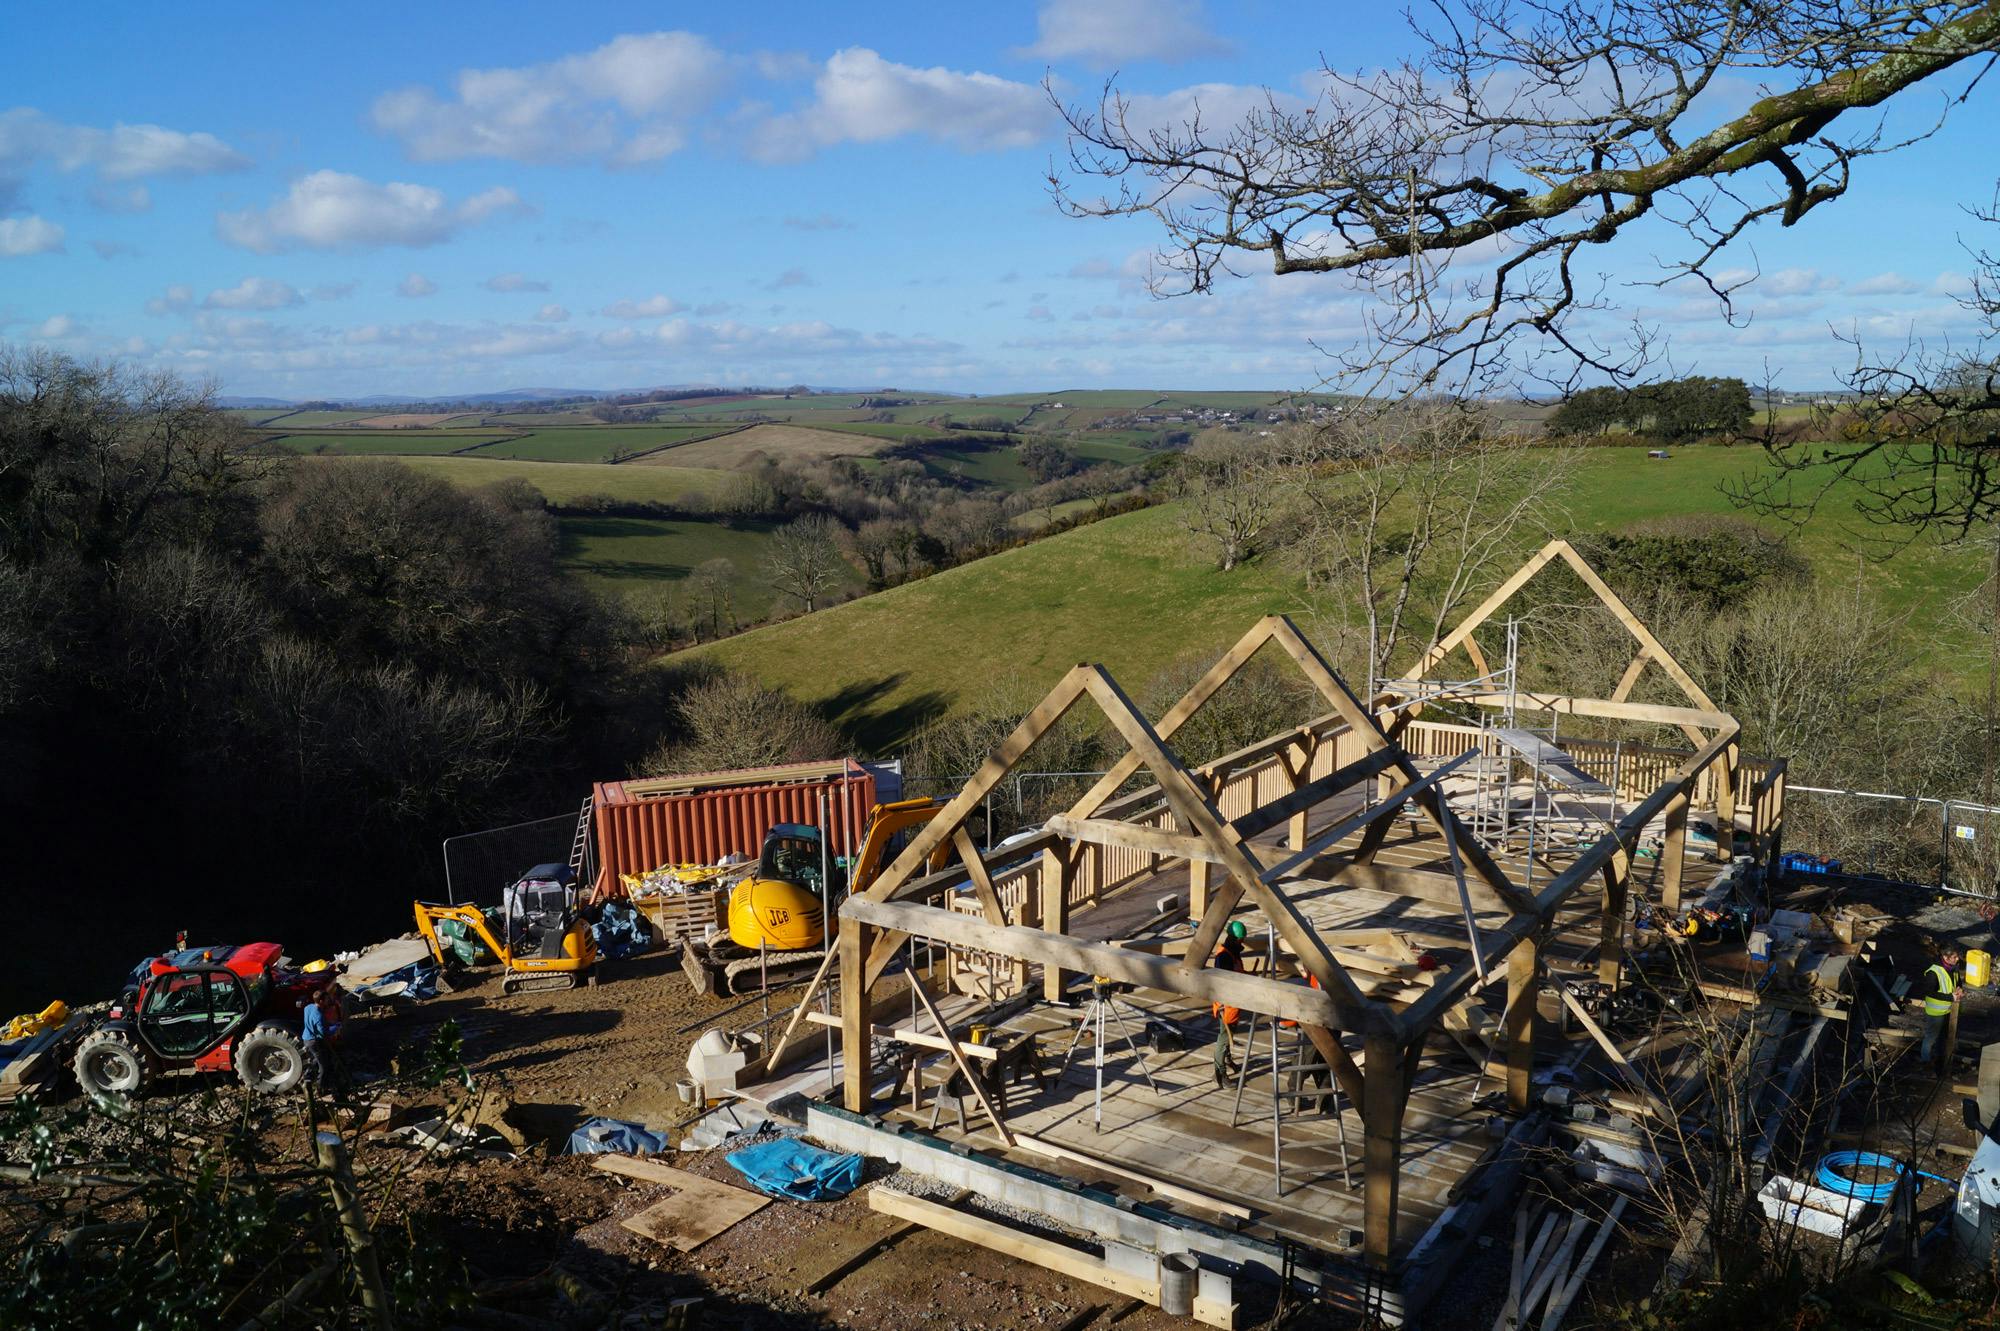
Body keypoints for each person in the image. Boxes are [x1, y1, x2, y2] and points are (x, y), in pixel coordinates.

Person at [1211, 920, 1248, 1088]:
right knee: (1224, 1039)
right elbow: (1222, 983)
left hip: (1233, 1004)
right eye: (1240, 940)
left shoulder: (1231, 952)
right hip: (1227, 1007)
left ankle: (1227, 1060)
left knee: (1227, 1037)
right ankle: (1219, 1074)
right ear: (1234, 939)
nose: (1242, 943)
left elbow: (1236, 973)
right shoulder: (1223, 956)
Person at [1918, 947, 1961, 1067]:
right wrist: (1950, 997)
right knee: (1931, 1037)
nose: (1957, 959)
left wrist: (1959, 989)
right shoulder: (1933, 972)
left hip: (1948, 1010)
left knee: (1943, 1036)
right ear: (1945, 958)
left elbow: (1958, 983)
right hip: (1935, 1012)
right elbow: (1929, 992)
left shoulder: (1953, 969)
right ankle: (1925, 1060)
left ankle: (1939, 1057)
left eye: (1957, 956)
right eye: (1954, 957)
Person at [301, 984, 347, 1094]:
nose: (328, 1001)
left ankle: (307, 1075)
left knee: (317, 1059)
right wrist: (336, 1027)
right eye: (326, 1000)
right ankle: (320, 1088)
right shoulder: (319, 1015)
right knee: (324, 1066)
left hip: (306, 1037)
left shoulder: (308, 1007)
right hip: (314, 1041)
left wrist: (328, 1024)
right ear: (321, 1001)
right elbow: (323, 1034)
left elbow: (315, 1023)